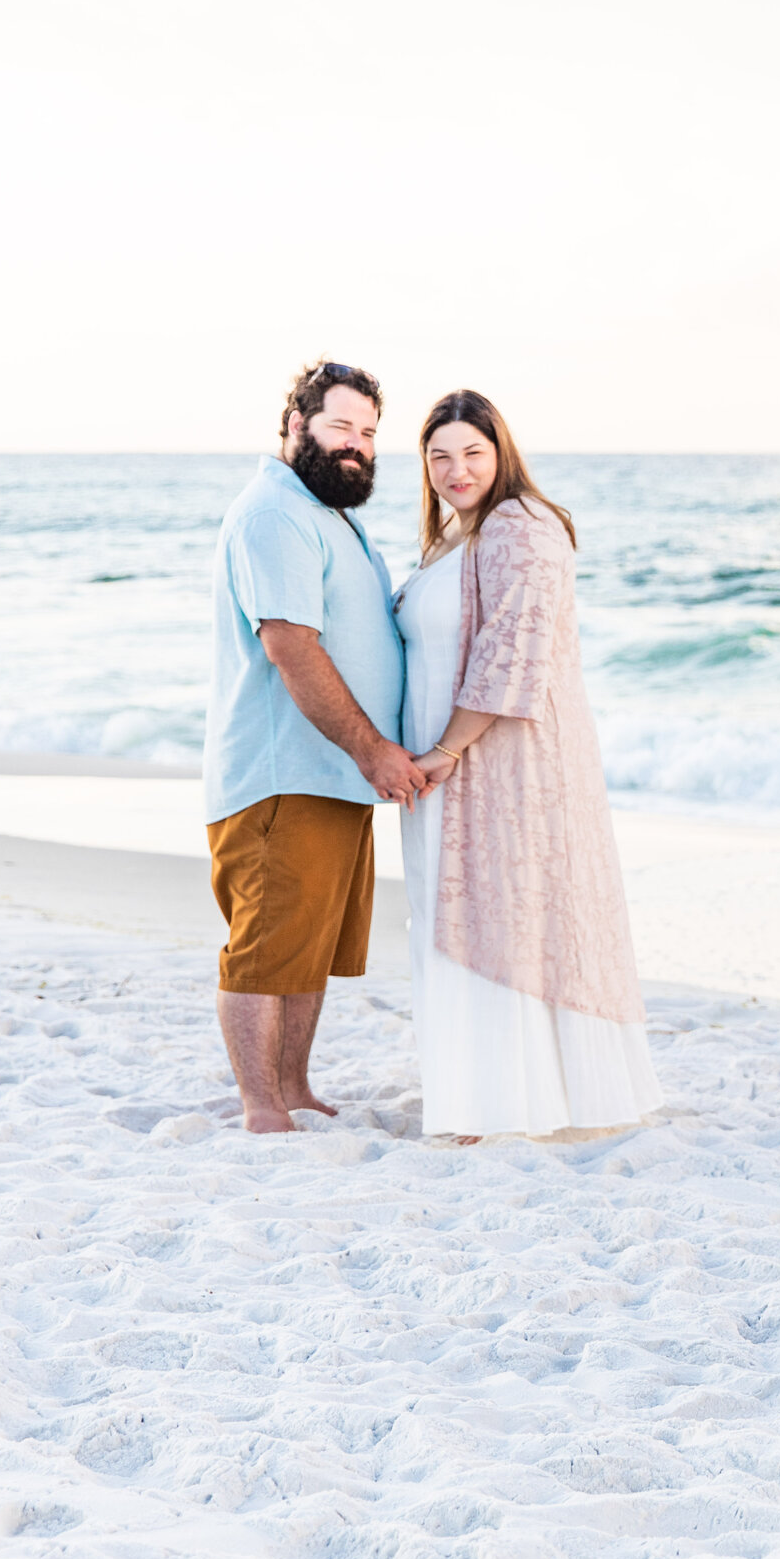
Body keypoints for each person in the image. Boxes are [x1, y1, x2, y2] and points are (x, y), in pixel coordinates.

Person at [392, 389, 661, 1143]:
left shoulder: (522, 526)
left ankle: (505, 1098)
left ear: (501, 451)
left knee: (497, 914)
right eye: (439, 456)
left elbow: (514, 649)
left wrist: (447, 749)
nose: (456, 469)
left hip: (497, 759)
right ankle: (474, 1088)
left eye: (472, 452)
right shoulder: (453, 533)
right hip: (446, 760)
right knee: (457, 914)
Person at [203, 359, 425, 1134]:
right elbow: (291, 645)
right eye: (340, 427)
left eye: (368, 433)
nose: (357, 446)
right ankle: (262, 1104)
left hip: (331, 776)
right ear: (295, 424)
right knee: (265, 948)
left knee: (305, 947)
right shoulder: (274, 513)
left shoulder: (327, 512)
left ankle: (293, 1085)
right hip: (281, 775)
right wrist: (372, 750)